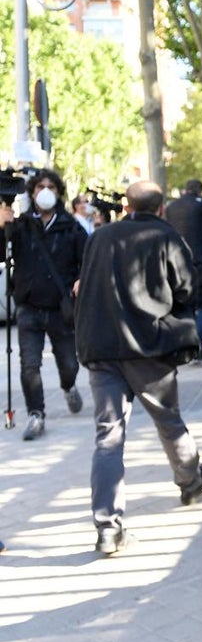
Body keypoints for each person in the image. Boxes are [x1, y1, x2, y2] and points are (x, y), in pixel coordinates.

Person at [74, 181, 202, 555]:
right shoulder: (167, 237)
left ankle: (107, 527)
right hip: (150, 348)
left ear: (126, 205)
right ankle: (189, 481)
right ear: (161, 208)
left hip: (102, 348)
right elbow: (188, 289)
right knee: (168, 420)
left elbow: (83, 287)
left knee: (108, 436)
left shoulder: (100, 238)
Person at [0, 168, 88, 441]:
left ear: (59, 192)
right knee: (29, 364)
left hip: (61, 307)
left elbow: (86, 260)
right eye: (39, 187)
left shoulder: (71, 226)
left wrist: (80, 279)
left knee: (69, 364)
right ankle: (36, 413)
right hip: (28, 305)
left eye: (50, 186)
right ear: (32, 192)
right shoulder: (21, 225)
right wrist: (2, 227)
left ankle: (69, 385)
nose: (45, 191)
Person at [164, 178, 202, 365]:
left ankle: (187, 348)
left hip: (177, 262)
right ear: (200, 190)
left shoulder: (171, 207)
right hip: (201, 260)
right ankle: (199, 347)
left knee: (185, 306)